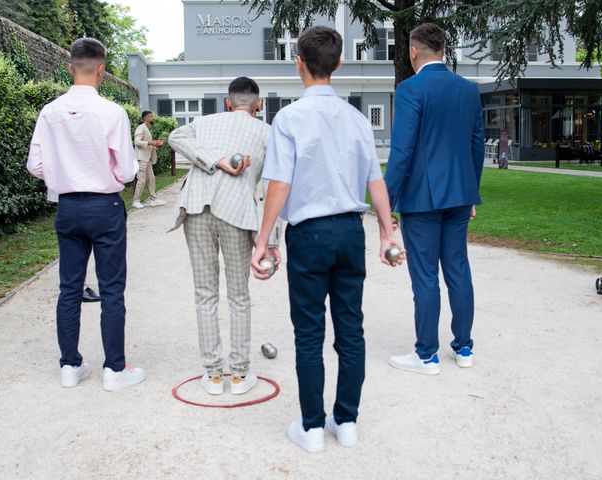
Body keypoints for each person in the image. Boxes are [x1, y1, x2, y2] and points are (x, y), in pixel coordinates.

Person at [251, 26, 403, 453]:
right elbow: (377, 181)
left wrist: (265, 240)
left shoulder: (289, 118)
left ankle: (313, 428)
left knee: (309, 333)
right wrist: (388, 233)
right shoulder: (357, 119)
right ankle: (347, 421)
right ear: (337, 64)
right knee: (351, 330)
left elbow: (280, 184)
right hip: (350, 233)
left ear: (298, 61)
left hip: (309, 234)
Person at [27, 38, 145, 391]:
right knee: (111, 289)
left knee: (69, 288)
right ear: (101, 70)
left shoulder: (49, 112)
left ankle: (70, 365)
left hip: (68, 206)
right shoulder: (112, 112)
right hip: (104, 207)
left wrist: (64, 174)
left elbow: (35, 165)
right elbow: (126, 171)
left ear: (69, 68)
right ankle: (114, 370)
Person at [168, 77, 280, 396]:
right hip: (236, 212)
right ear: (258, 105)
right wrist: (271, 240)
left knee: (205, 293)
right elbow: (272, 187)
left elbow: (176, 135)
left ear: (228, 102)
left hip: (195, 207)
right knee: (239, 294)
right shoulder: (268, 132)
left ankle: (214, 375)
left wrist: (213, 160)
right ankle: (241, 374)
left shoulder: (203, 122)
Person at [385, 23, 484, 375]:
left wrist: (387, 202)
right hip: (459, 194)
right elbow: (476, 146)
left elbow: (402, 151)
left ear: (413, 51)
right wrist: (471, 191)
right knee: (458, 269)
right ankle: (464, 348)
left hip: (422, 198)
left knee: (425, 276)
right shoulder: (468, 91)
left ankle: (427, 354)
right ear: (443, 49)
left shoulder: (410, 89)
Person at [132, 110, 166, 209]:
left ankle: (153, 199)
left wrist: (157, 144)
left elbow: (149, 144)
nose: (152, 118)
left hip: (148, 159)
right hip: (142, 158)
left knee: (152, 178)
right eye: (151, 117)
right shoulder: (141, 127)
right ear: (145, 118)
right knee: (141, 180)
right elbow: (137, 141)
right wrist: (152, 143)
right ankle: (135, 201)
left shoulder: (146, 128)